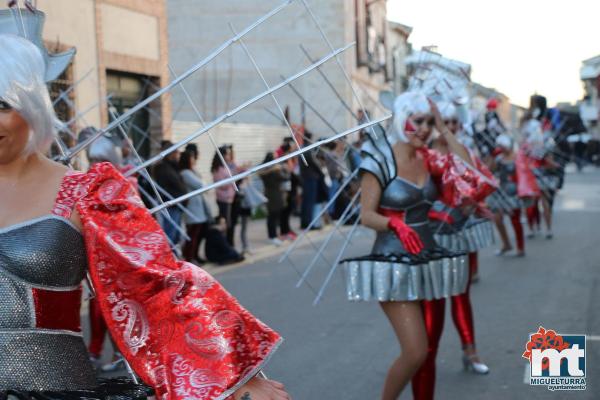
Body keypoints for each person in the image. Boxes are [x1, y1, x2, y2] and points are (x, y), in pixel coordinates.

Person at [0, 29, 289, 400]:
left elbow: (157, 286)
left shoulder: (89, 194)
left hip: (54, 389)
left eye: (2, 105)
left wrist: (234, 374)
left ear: (31, 105)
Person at [340, 91, 493, 400]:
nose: (423, 129)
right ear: (401, 120)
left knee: (428, 351)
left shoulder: (429, 158)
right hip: (393, 262)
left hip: (429, 259)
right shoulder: (379, 161)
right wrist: (393, 223)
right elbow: (366, 215)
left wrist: (444, 128)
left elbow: (467, 167)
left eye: (428, 122)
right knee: (415, 351)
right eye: (417, 121)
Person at [429, 102, 494, 376]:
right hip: (429, 238)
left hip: (457, 236)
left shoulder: (461, 152)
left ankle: (470, 350)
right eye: (446, 122)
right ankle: (426, 357)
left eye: (455, 122)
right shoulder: (423, 154)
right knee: (433, 299)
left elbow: (482, 178)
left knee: (460, 294)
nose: (451, 127)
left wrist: (473, 201)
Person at [487, 134, 538, 256]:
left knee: (515, 220)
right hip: (500, 192)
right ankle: (506, 244)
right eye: (499, 145)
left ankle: (520, 247)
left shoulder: (517, 157)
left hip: (514, 193)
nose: (502, 148)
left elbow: (525, 175)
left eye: (503, 145)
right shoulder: (498, 158)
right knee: (497, 218)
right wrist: (492, 156)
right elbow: (490, 170)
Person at [179, 149, 212, 263]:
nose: (194, 160)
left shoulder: (191, 171)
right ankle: (189, 257)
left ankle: (193, 256)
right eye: (192, 158)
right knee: (192, 234)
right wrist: (203, 182)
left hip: (198, 207)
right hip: (193, 208)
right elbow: (200, 185)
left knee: (196, 234)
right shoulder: (185, 173)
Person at [153, 140, 187, 245]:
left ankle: (174, 255)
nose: (178, 155)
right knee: (170, 234)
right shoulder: (162, 168)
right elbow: (164, 189)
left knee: (175, 234)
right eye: (176, 152)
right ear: (170, 153)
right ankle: (169, 255)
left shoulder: (173, 166)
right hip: (171, 205)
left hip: (176, 204)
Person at [260, 152, 291, 246]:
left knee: (271, 217)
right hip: (276, 195)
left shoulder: (264, 169)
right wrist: (285, 170)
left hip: (268, 194)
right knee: (273, 217)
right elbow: (286, 178)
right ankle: (273, 236)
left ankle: (272, 236)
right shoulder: (275, 170)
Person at [299, 131, 323, 229]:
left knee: (306, 201)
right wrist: (320, 172)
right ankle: (308, 223)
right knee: (309, 201)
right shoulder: (308, 149)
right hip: (310, 178)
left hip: (306, 178)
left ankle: (305, 222)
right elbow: (314, 163)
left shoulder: (302, 148)